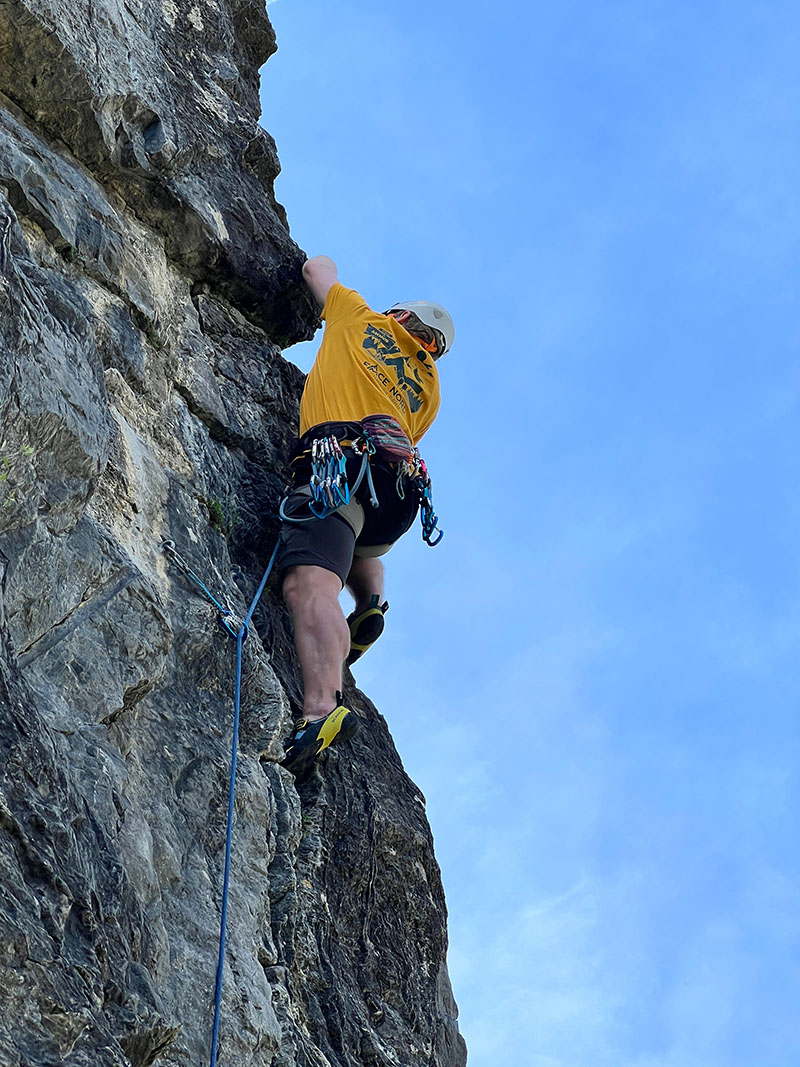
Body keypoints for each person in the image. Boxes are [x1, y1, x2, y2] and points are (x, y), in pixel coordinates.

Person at [279, 255, 454, 774]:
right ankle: (371, 599)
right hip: (397, 494)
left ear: (399, 317)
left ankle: (321, 709)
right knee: (354, 539)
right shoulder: (430, 390)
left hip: (338, 464)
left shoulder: (360, 317)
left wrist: (322, 272)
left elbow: (317, 271)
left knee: (309, 585)